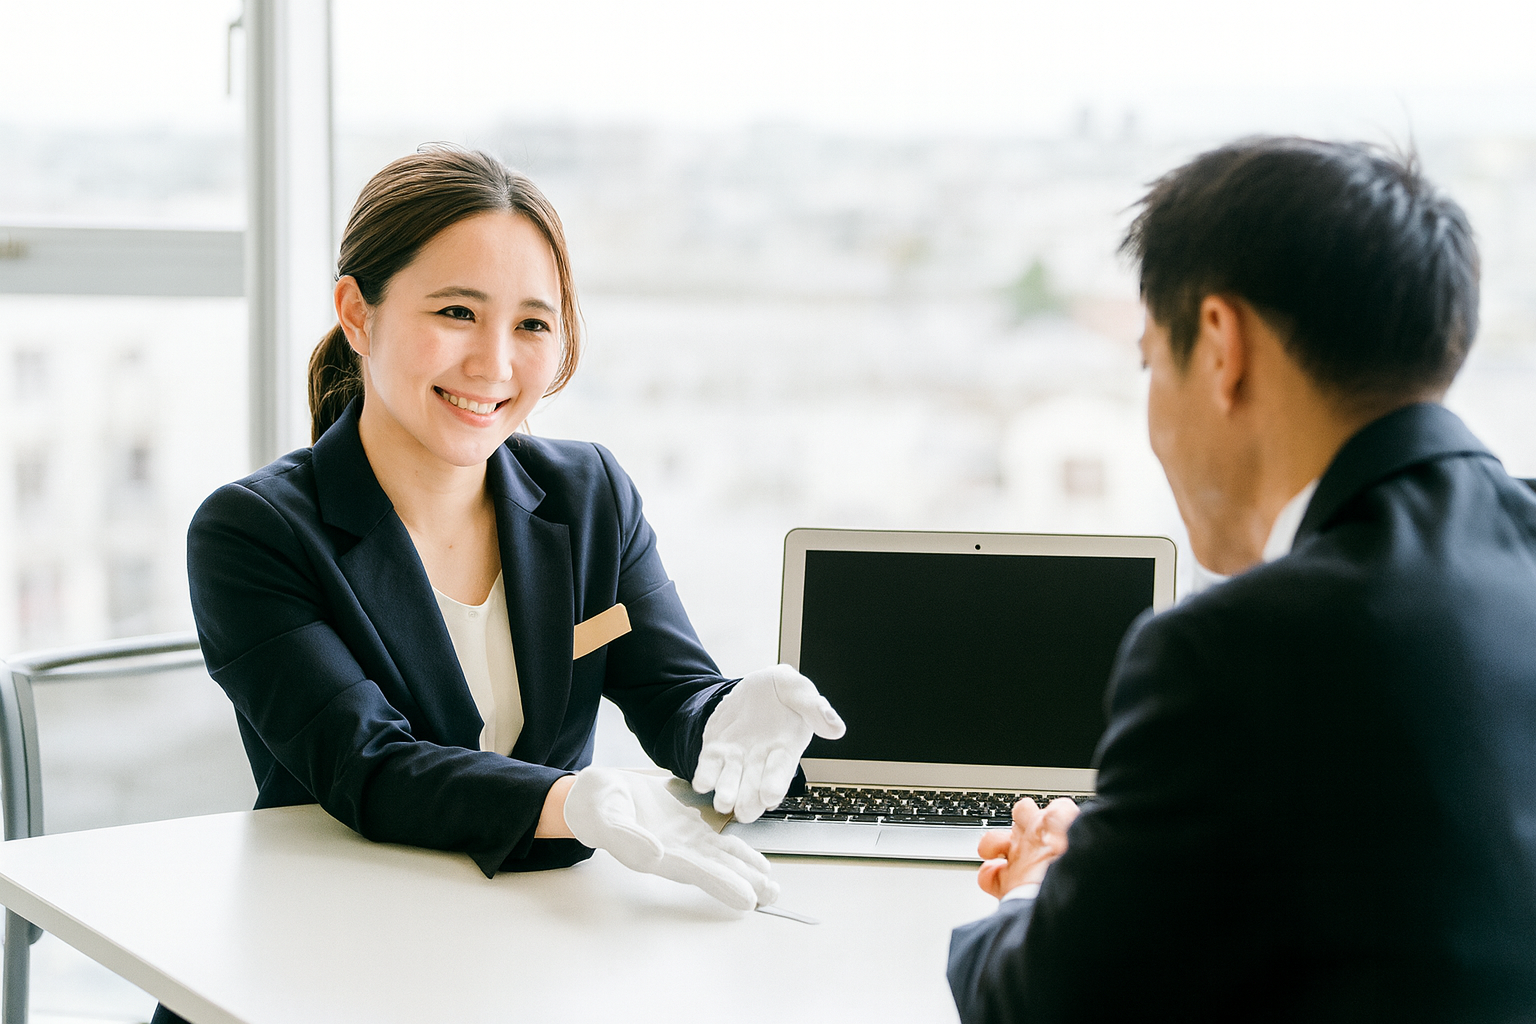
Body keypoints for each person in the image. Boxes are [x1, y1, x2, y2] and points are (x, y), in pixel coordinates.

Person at [169, 144, 846, 1024]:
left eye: (532, 324)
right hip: (332, 963)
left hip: (536, 962)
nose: (494, 364)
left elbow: (671, 691)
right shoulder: (254, 532)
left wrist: (725, 721)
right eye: (457, 311)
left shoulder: (589, 494)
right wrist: (573, 801)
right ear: (356, 313)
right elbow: (367, 765)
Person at [947, 137, 1536, 1022]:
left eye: (1152, 361)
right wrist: (1123, 861)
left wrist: (1037, 887)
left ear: (1222, 346)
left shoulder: (1233, 652)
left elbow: (1037, 1004)